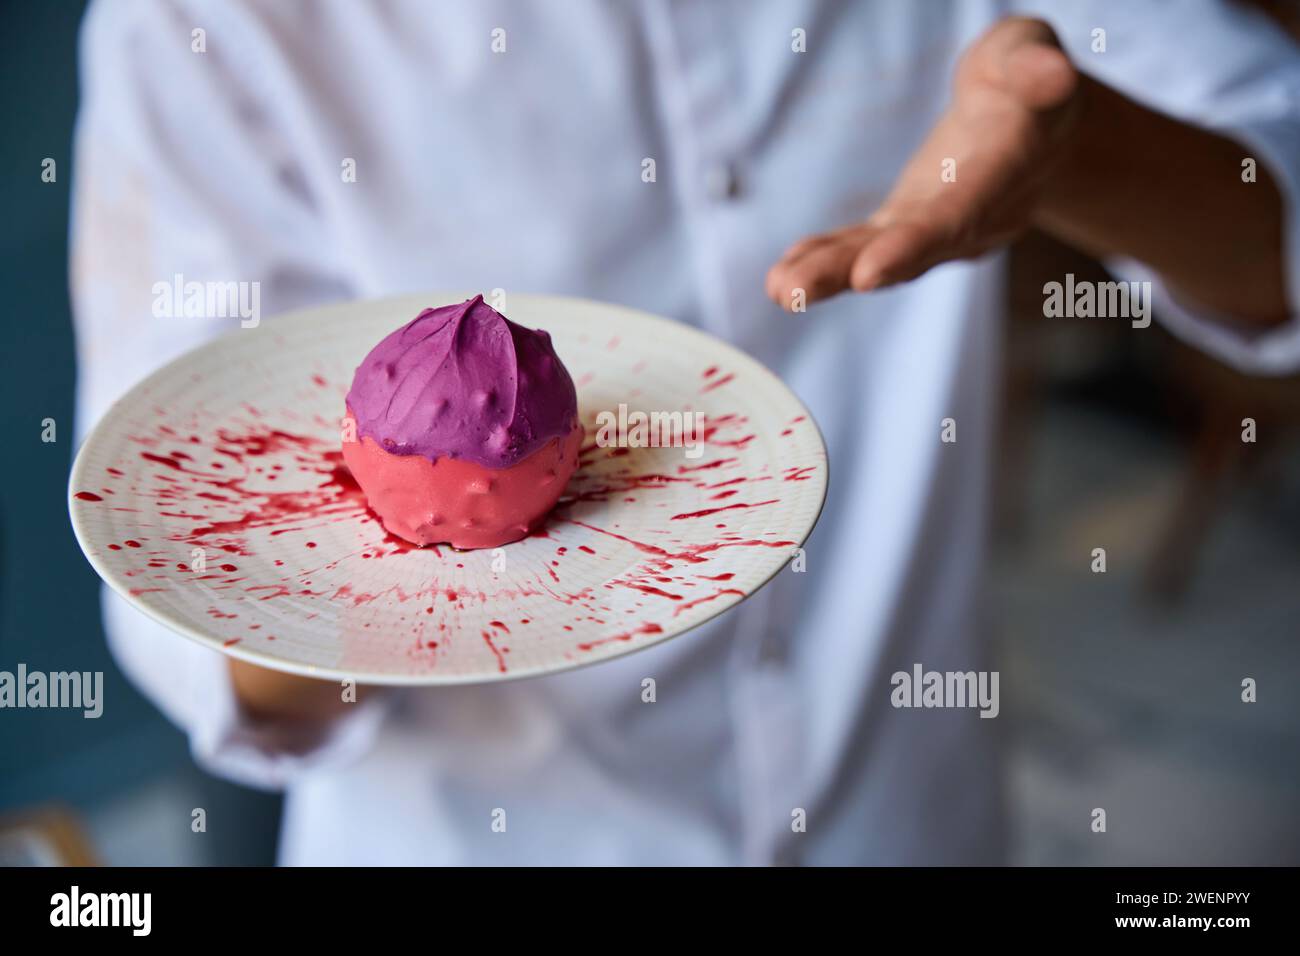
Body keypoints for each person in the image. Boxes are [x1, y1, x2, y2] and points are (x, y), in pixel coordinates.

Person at [72, 0, 1300, 865]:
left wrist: (1083, 154)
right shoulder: (208, 25)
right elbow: (184, 622)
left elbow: (1277, 217)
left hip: (906, 820)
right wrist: (351, 539)